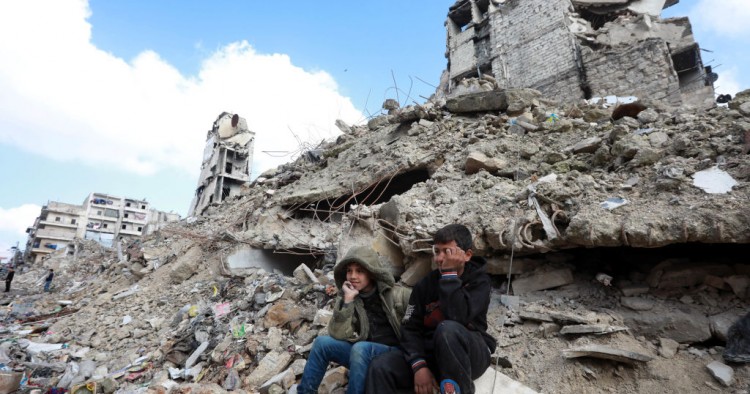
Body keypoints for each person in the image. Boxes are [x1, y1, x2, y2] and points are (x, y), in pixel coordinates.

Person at [366, 224, 497, 394]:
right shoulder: (425, 285)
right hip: (433, 354)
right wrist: (419, 366)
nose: (439, 258)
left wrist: (449, 274)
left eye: (447, 252)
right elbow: (410, 327)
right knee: (380, 366)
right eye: (437, 251)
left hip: (471, 353)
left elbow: (458, 316)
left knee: (447, 329)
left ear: (467, 255)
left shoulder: (479, 282)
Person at [298, 246, 410, 394]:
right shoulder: (351, 296)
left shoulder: (399, 294)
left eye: (360, 271)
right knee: (321, 343)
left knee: (360, 348)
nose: (353, 276)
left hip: (395, 357)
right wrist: (348, 301)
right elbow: (338, 334)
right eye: (349, 271)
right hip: (365, 354)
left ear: (371, 272)